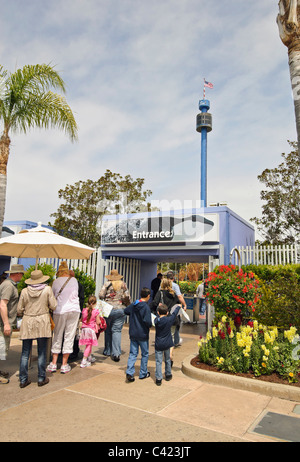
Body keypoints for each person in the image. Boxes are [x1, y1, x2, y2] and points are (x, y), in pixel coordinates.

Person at [17, 270, 57, 388]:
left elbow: (19, 309)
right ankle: (41, 377)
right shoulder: (47, 290)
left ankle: (23, 379)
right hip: (42, 321)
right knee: (42, 351)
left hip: (28, 320)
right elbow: (54, 305)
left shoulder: (24, 291)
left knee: (25, 352)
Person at [47, 261, 81, 374]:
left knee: (57, 335)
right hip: (74, 310)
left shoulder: (55, 282)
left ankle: (53, 363)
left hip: (60, 310)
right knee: (69, 335)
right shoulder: (74, 280)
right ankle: (64, 364)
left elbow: (52, 297)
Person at [0, 264, 25, 384]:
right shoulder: (8, 286)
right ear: (18, 274)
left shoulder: (8, 284)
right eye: (22, 274)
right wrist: (6, 324)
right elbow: (3, 304)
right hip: (3, 323)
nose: (22, 276)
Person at [99, 269, 131, 362]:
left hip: (108, 310)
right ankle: (116, 353)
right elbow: (127, 296)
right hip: (120, 309)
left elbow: (101, 295)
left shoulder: (107, 284)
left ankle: (107, 350)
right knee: (116, 330)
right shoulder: (123, 284)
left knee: (108, 330)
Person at [150, 278, 181, 366]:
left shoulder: (160, 293)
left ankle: (162, 353)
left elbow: (154, 303)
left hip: (162, 319)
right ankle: (170, 355)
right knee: (171, 337)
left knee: (161, 335)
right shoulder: (174, 294)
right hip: (172, 318)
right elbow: (178, 304)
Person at [124, 287, 152, 382]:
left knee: (133, 353)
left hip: (133, 332)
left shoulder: (135, 304)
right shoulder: (146, 307)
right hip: (143, 333)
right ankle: (143, 373)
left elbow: (126, 311)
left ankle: (130, 372)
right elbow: (148, 321)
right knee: (145, 353)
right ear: (148, 296)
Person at [154, 303, 180, 386]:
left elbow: (156, 316)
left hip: (158, 343)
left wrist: (158, 309)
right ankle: (168, 374)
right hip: (167, 342)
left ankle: (158, 378)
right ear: (167, 313)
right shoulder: (169, 320)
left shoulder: (156, 321)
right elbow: (174, 314)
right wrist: (178, 307)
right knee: (167, 359)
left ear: (158, 312)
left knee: (158, 361)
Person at [79, 295, 100, 368]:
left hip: (84, 329)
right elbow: (98, 321)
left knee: (88, 344)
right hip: (91, 330)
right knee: (88, 345)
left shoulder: (84, 310)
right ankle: (84, 360)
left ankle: (89, 357)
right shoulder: (96, 311)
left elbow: (81, 319)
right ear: (95, 303)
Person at [166, 271, 187, 346]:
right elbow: (179, 296)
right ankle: (176, 341)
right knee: (176, 324)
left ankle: (168, 340)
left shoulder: (162, 285)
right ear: (173, 278)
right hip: (174, 308)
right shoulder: (175, 285)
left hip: (165, 308)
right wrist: (184, 304)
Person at [68, 269, 85, 361]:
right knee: (73, 333)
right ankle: (74, 351)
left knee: (66, 333)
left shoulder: (65, 285)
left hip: (65, 312)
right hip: (75, 312)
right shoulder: (79, 285)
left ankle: (68, 351)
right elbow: (81, 299)